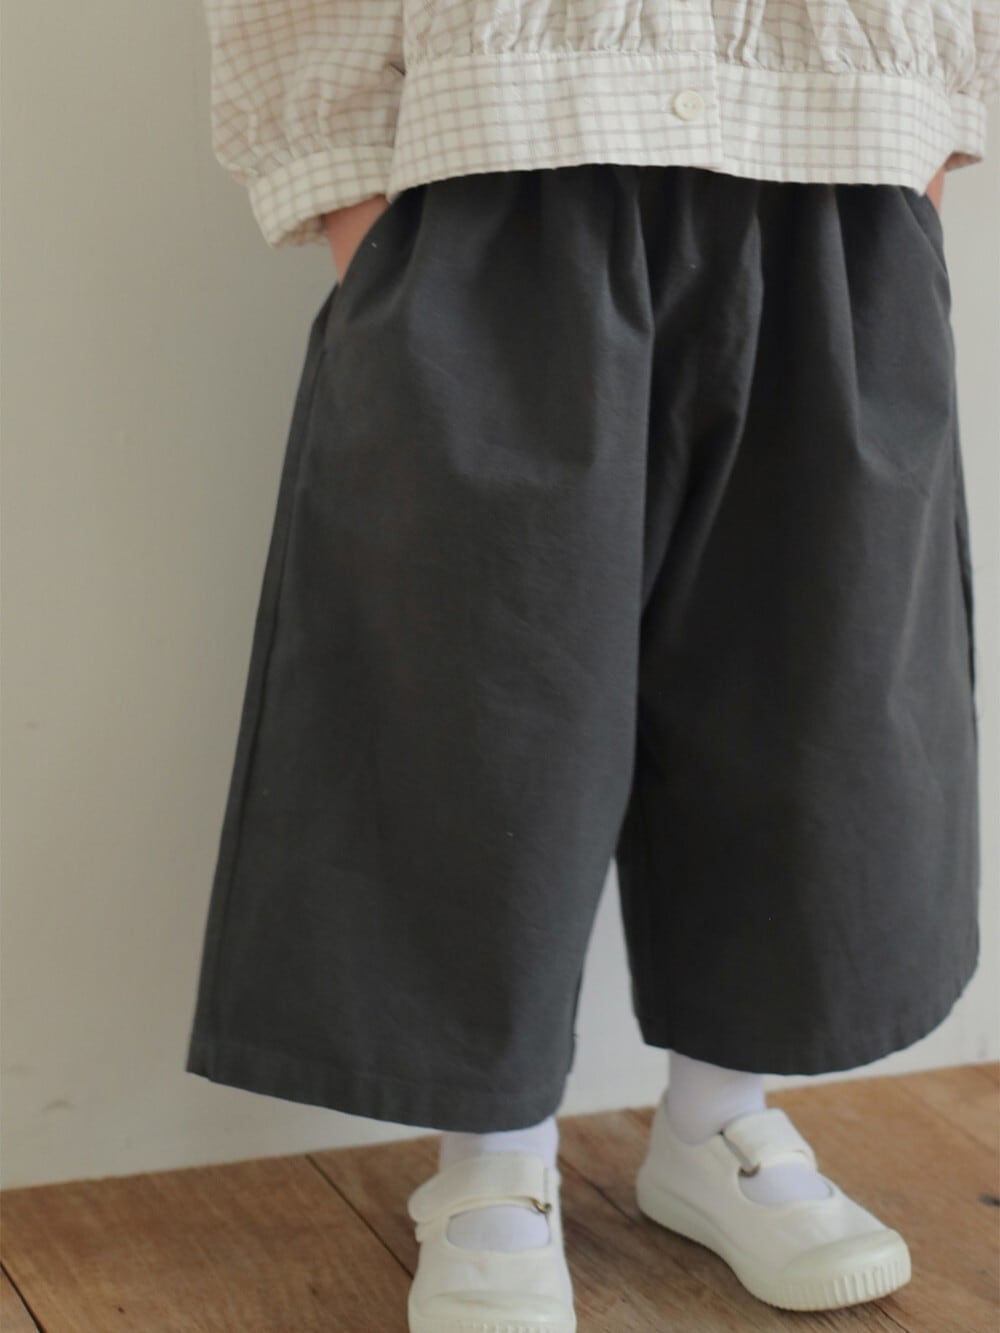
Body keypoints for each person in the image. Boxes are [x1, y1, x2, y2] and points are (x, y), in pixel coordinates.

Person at [185, 2, 997, 1327]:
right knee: (469, 698)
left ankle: (720, 1122)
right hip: (500, 165)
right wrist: (353, 199)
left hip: (833, 165)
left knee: (816, 691)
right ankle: (490, 1160)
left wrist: (931, 126)